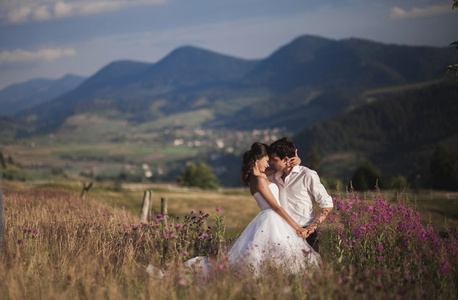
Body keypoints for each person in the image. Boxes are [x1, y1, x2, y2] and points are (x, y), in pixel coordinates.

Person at [185, 142, 321, 276]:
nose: (269, 164)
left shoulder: (260, 175)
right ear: (257, 159)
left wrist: (296, 161)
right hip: (272, 218)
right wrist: (297, 228)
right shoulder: (258, 180)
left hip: (275, 220)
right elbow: (276, 207)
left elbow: (278, 168)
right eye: (267, 160)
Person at [267, 137, 333, 250]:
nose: (271, 162)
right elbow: (254, 173)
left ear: (286, 159)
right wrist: (281, 167)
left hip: (306, 233)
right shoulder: (274, 176)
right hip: (281, 234)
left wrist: (313, 226)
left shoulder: (307, 175)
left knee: (312, 267)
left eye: (275, 159)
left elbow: (327, 204)